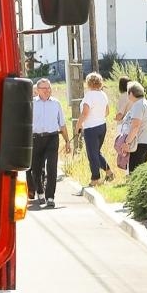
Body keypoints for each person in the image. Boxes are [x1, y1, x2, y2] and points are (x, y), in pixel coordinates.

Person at [30, 78, 70, 208]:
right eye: (44, 89)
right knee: (35, 169)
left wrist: (67, 141)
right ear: (37, 90)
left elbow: (62, 124)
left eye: (49, 88)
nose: (47, 91)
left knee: (51, 167)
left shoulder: (56, 103)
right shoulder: (31, 104)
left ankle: (50, 197)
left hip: (52, 138)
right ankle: (40, 192)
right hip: (35, 139)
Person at [74, 71, 114, 187]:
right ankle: (109, 172)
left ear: (88, 83)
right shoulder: (103, 95)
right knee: (96, 152)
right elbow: (107, 112)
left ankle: (95, 179)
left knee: (92, 154)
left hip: (91, 128)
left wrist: (78, 126)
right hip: (102, 125)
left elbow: (85, 113)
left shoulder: (89, 96)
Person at [117, 81, 147, 174]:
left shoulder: (138, 105)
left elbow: (135, 126)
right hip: (145, 141)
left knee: (135, 173)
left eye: (128, 93)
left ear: (131, 93)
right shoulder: (144, 103)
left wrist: (127, 142)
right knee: (142, 174)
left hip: (138, 143)